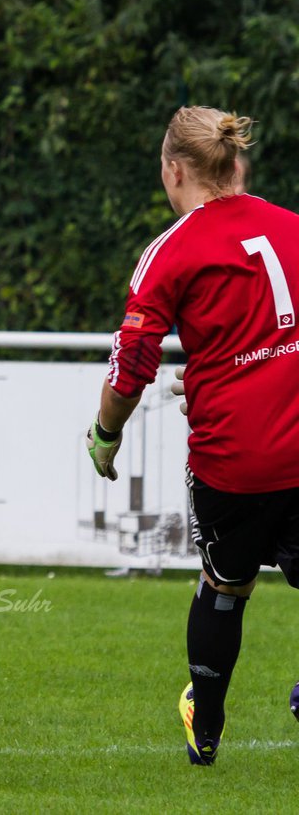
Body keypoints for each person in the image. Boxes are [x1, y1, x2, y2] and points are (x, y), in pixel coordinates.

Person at [85, 106, 299, 767]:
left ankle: (205, 724)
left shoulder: (171, 249)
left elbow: (131, 367)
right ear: (234, 165)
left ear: (174, 169)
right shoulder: (291, 227)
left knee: (226, 583)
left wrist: (104, 435)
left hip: (236, 459)